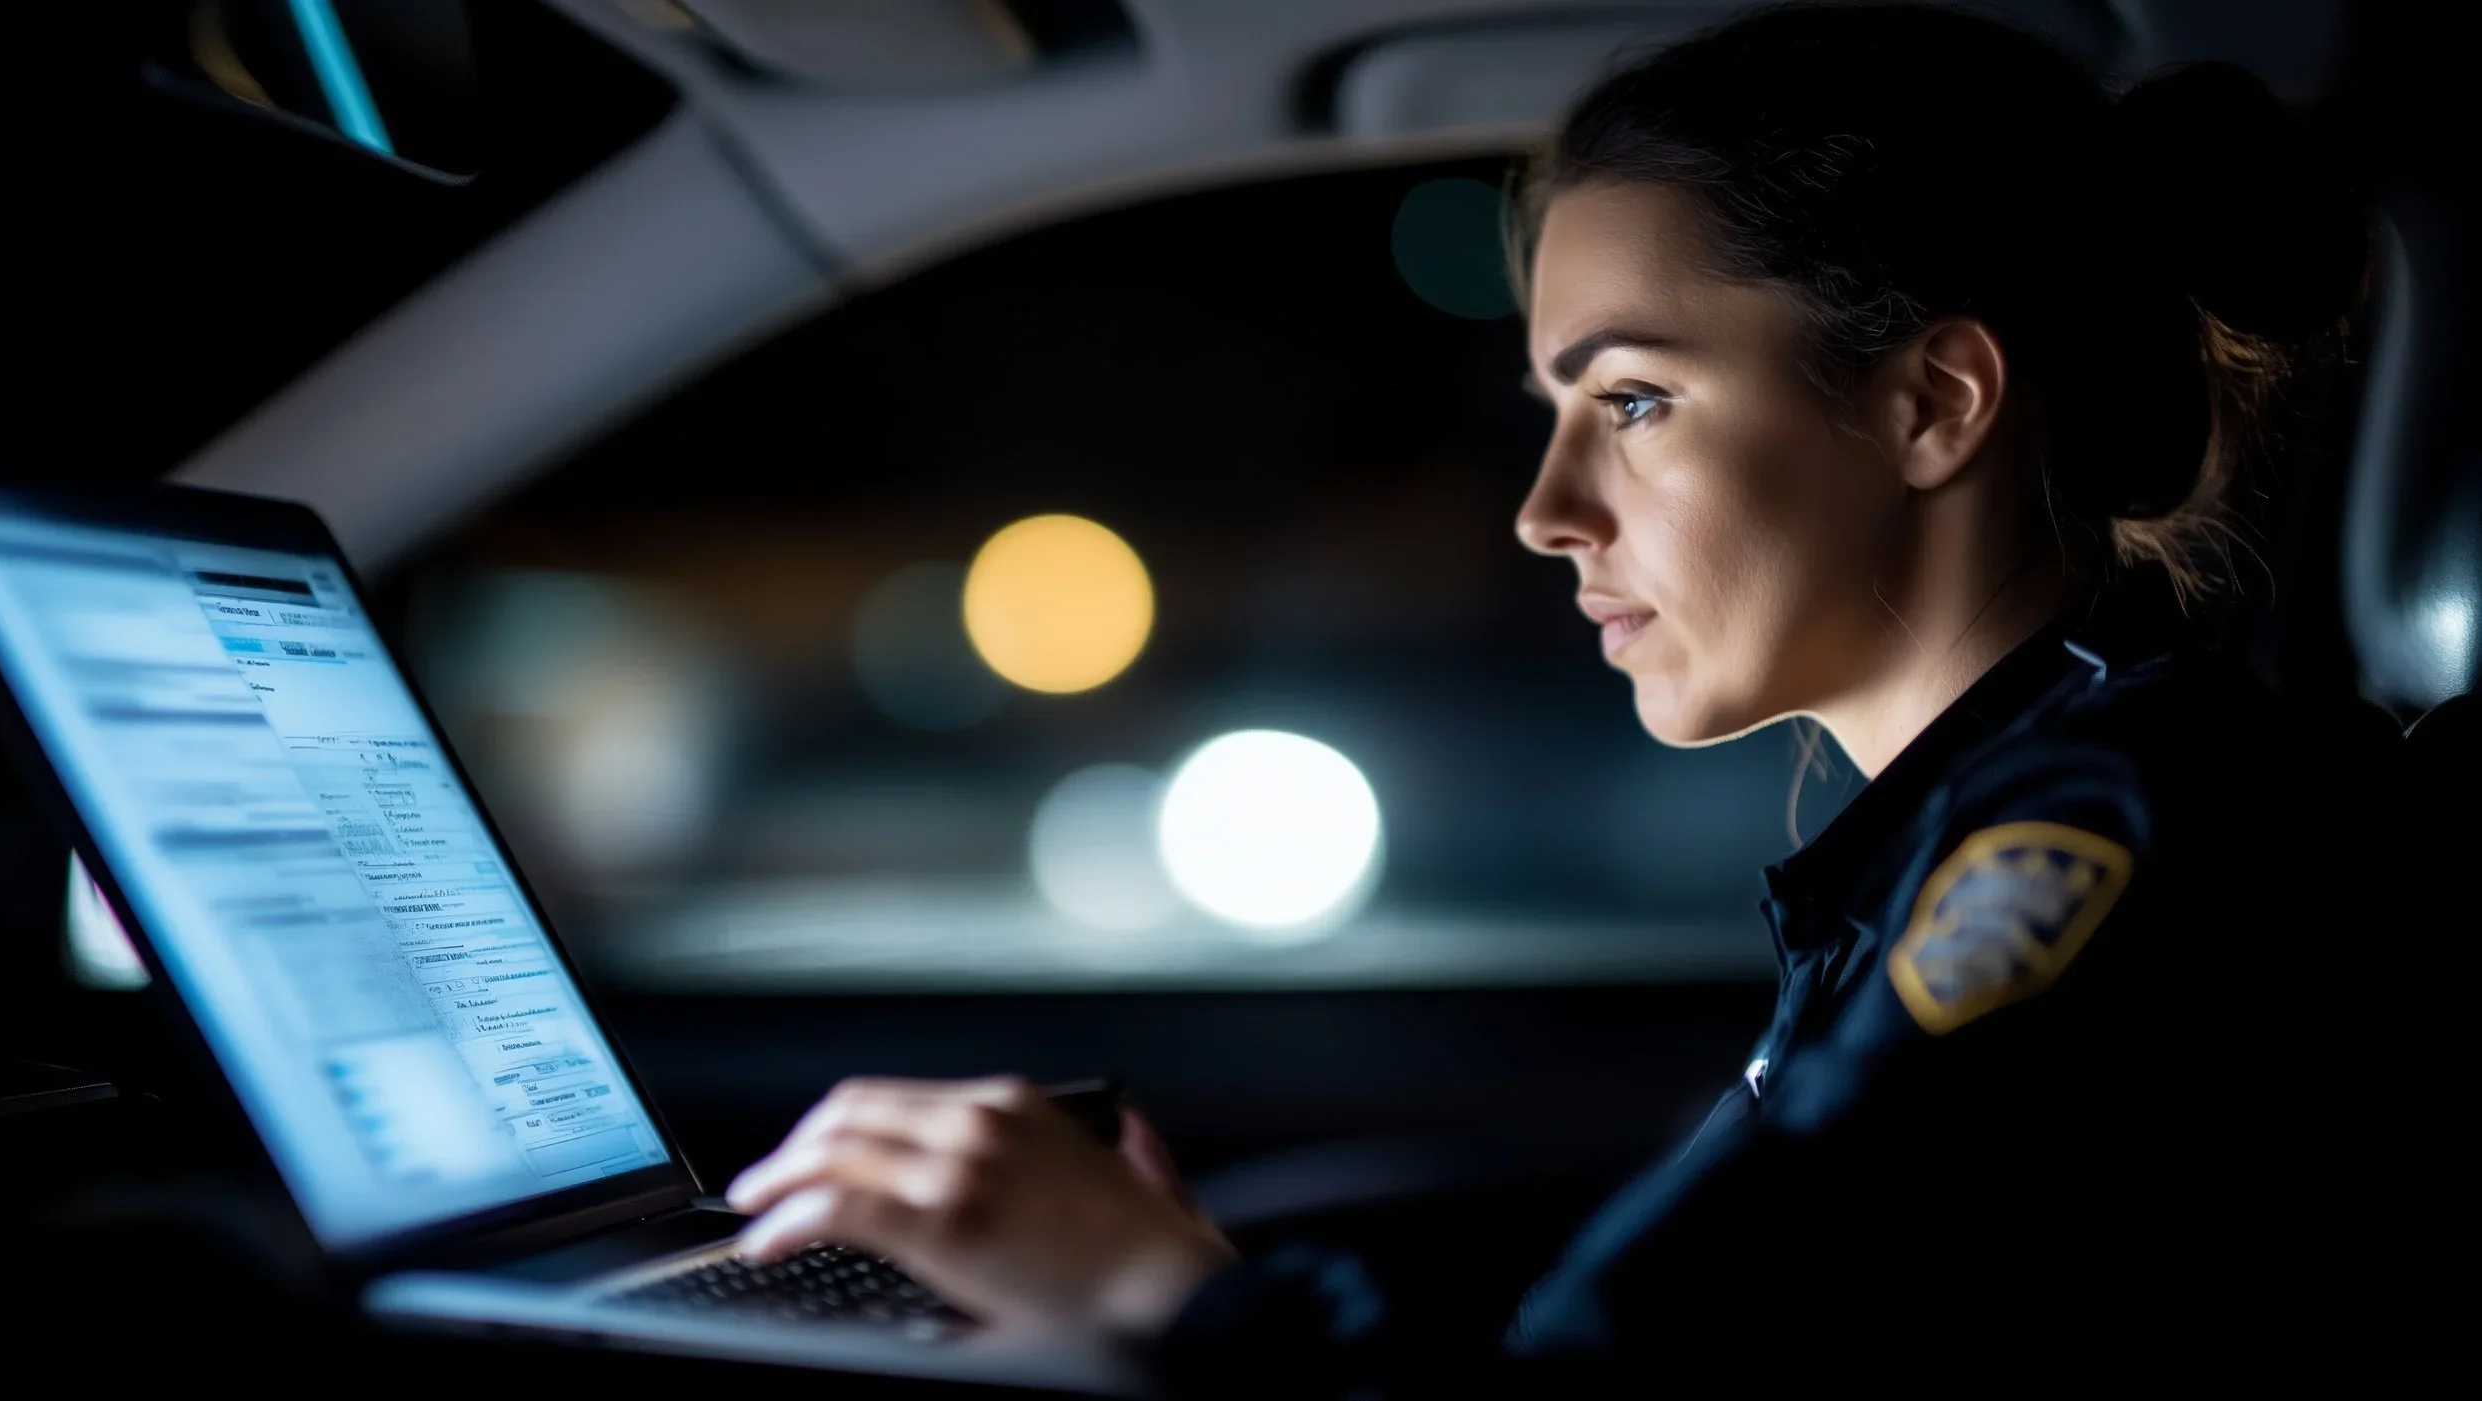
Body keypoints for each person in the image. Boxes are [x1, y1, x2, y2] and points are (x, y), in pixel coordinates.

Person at [722, 3, 2392, 1386]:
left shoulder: (2095, 837)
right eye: (1552, 407)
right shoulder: (1999, 813)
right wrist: (1197, 1295)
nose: (1547, 511)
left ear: (1933, 402)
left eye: (1639, 401)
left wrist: (1169, 1298)